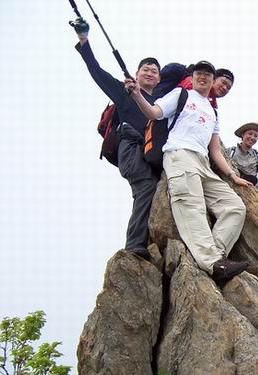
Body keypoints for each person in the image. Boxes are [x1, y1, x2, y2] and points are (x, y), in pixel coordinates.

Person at [125, 60, 253, 285]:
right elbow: (154, 113)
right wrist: (136, 94)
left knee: (235, 207)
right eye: (199, 73)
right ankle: (213, 263)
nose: (203, 77)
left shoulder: (213, 112)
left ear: (212, 81)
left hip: (203, 162)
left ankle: (215, 254)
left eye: (207, 75)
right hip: (179, 154)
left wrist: (233, 176)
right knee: (192, 206)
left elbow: (215, 151)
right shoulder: (181, 95)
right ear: (192, 78)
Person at [70, 17, 161, 260]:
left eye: (154, 71)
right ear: (136, 74)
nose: (150, 73)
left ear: (159, 79)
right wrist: (84, 39)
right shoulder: (124, 92)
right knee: (146, 187)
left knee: (155, 190)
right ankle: (134, 246)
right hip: (130, 148)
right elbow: (97, 72)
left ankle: (148, 239)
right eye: (145, 70)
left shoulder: (160, 104)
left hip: (150, 152)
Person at [153, 64, 234, 108]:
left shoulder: (211, 106)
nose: (225, 88)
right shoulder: (193, 84)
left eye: (228, 88)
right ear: (214, 79)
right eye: (223, 82)